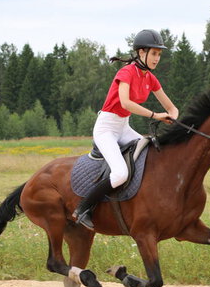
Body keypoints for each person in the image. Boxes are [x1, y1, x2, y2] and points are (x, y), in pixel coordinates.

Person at [73, 29, 179, 230]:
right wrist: (156, 116)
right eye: (154, 53)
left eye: (159, 54)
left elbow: (172, 108)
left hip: (123, 127)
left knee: (151, 154)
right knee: (120, 173)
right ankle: (83, 208)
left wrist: (173, 118)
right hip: (106, 128)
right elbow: (126, 103)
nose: (157, 58)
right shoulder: (126, 72)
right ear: (141, 53)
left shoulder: (150, 78)